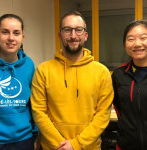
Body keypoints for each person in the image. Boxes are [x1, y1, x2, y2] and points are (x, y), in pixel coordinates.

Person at [31, 10, 114, 150]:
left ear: (86, 35)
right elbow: (38, 112)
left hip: (89, 147)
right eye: (67, 30)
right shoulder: (43, 70)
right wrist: (62, 145)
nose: (73, 35)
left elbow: (103, 114)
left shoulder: (101, 72)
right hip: (53, 147)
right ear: (60, 35)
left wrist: (76, 144)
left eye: (78, 30)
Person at [0, 14, 38, 150]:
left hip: (24, 139)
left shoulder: (29, 65)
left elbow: (34, 103)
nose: (11, 38)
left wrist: (36, 135)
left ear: (22, 37)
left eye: (16, 33)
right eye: (5, 32)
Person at [112, 20, 147, 150]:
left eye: (143, 38)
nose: (137, 44)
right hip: (126, 145)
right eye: (131, 39)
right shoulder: (118, 74)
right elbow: (118, 107)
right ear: (125, 44)